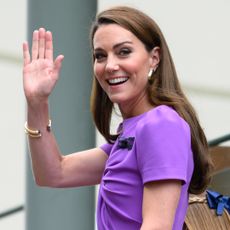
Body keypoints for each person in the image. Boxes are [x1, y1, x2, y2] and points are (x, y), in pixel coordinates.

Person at [22, 6, 213, 230]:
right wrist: (37, 102)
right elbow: (53, 173)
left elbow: (157, 226)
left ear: (154, 58)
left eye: (123, 52)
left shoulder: (161, 124)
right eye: (100, 56)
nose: (110, 66)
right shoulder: (131, 136)